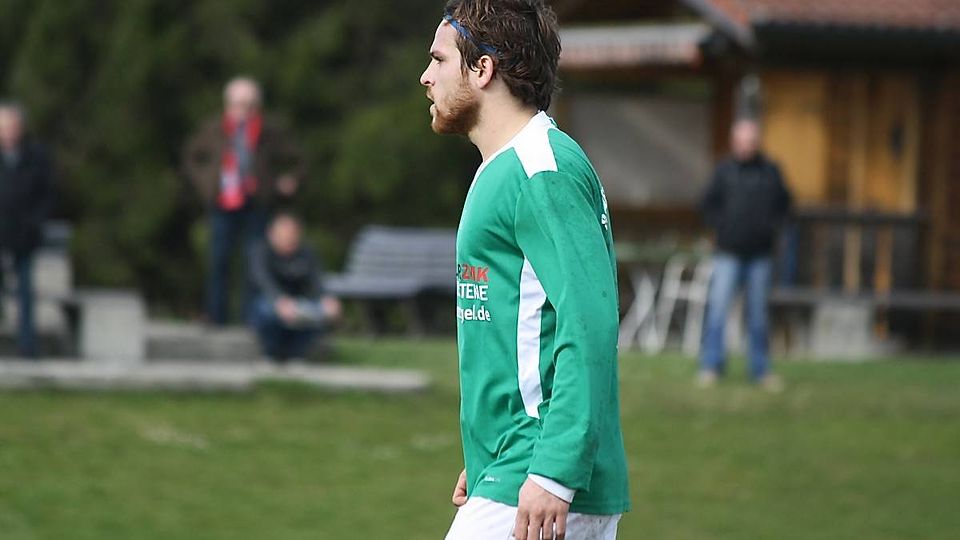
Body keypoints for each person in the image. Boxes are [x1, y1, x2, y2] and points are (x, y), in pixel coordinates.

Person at [420, 1, 630, 538]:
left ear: (482, 69)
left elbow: (589, 323)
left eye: (439, 60)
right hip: (512, 464)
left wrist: (554, 469)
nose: (426, 77)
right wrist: (486, 452)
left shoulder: (542, 169)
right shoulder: (506, 167)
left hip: (540, 472)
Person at [183, 76, 304, 325]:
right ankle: (216, 317)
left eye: (250, 105)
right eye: (238, 104)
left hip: (256, 203)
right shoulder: (213, 129)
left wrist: (288, 180)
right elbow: (192, 157)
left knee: (254, 262)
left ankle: (251, 319)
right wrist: (207, 183)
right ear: (228, 104)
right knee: (219, 261)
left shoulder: (269, 131)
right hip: (223, 203)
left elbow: (298, 160)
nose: (244, 111)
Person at [698, 118, 792, 391]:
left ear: (757, 142)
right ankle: (711, 366)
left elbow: (785, 205)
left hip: (760, 255)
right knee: (718, 311)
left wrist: (771, 228)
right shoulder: (724, 171)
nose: (746, 146)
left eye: (750, 141)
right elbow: (706, 205)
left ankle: (760, 370)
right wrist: (722, 227)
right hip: (728, 254)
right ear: (734, 143)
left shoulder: (770, 172)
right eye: (741, 141)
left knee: (758, 316)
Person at [0, 101, 54, 358]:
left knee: (25, 292)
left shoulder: (36, 156)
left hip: (25, 235)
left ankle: (27, 347)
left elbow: (46, 194)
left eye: (9, 126)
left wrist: (35, 222)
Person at [248, 212, 340, 362]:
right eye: (284, 235)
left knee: (320, 312)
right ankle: (271, 353)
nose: (289, 238)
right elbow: (263, 281)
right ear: (272, 234)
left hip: (300, 304)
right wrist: (280, 300)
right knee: (266, 310)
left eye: (292, 234)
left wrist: (327, 299)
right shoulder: (260, 252)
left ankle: (297, 354)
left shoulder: (306, 253)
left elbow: (317, 282)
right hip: (270, 302)